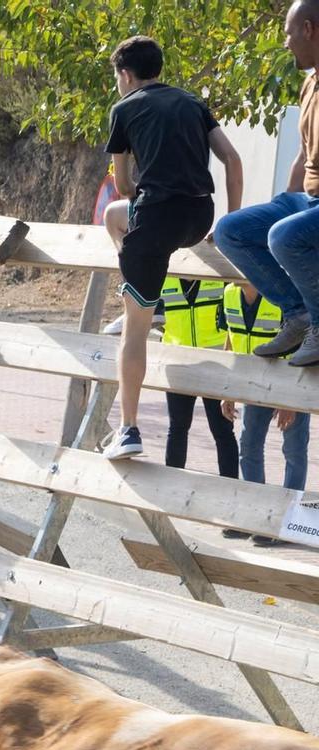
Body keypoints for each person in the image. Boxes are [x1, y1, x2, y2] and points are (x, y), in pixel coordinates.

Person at [99, 35, 243, 460]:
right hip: (200, 217)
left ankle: (128, 429)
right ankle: (147, 294)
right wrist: (230, 220)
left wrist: (146, 190)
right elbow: (233, 160)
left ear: (125, 75)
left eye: (117, 78)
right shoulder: (194, 103)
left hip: (157, 221)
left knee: (134, 329)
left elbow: (123, 185)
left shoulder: (124, 109)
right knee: (117, 217)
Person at [213, 2, 319, 367]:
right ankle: (298, 315)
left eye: (289, 34)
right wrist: (283, 203)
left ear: (309, 29)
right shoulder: (309, 84)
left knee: (284, 236)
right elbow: (304, 154)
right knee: (230, 230)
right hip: (308, 200)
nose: (286, 43)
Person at [223, 281, 310, 539]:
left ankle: (287, 521)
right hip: (253, 386)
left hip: (289, 385)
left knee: (293, 451)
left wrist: (290, 399)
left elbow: (303, 344)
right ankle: (255, 516)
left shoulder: (284, 295)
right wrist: (227, 389)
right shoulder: (228, 293)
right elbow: (231, 338)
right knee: (249, 447)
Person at [153, 277, 239, 477]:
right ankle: (173, 483)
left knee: (222, 430)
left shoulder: (218, 278)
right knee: (178, 427)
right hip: (178, 362)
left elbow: (231, 322)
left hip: (216, 364)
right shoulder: (164, 279)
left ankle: (230, 487)